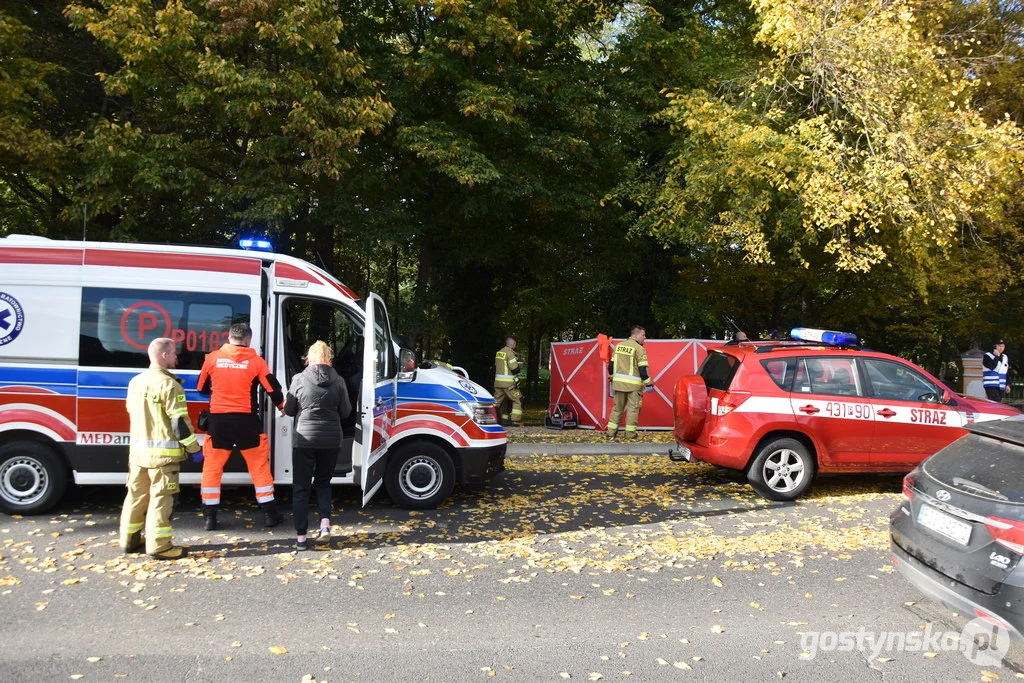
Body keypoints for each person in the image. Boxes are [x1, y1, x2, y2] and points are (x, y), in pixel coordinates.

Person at [197, 322, 285, 530]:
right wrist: (283, 407)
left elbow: (201, 388)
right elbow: (273, 389)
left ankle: (210, 518)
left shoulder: (212, 359)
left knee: (212, 469)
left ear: (229, 338)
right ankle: (270, 515)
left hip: (219, 422)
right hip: (246, 422)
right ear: (248, 340)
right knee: (259, 468)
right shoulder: (256, 362)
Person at [120, 338, 201, 560]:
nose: (177, 357)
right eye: (174, 353)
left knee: (136, 496)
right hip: (163, 458)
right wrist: (194, 449)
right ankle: (160, 546)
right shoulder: (170, 385)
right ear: (164, 355)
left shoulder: (135, 382)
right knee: (161, 499)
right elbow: (179, 425)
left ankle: (129, 540)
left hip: (137, 455)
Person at [283, 341, 352, 550]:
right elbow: (346, 412)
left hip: (305, 440)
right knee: (323, 483)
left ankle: (301, 539)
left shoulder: (298, 379)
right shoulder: (339, 380)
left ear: (309, 358)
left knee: (301, 488)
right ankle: (324, 526)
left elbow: (289, 409)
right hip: (331, 440)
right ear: (328, 357)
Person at [606, 326, 654, 439]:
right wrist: (649, 383)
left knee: (617, 408)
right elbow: (643, 370)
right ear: (636, 335)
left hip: (618, 385)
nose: (645, 337)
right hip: (633, 387)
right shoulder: (639, 349)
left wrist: (613, 378)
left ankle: (611, 432)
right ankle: (630, 434)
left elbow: (610, 367)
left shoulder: (618, 346)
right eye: (643, 335)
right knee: (633, 410)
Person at [494, 336, 523, 425]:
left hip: (498, 383)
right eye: (515, 344)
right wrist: (518, 366)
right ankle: (515, 420)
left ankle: (492, 419)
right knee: (518, 399)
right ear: (513, 344)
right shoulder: (510, 353)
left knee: (496, 402)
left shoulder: (499, 352)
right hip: (508, 384)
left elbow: (496, 366)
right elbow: (514, 369)